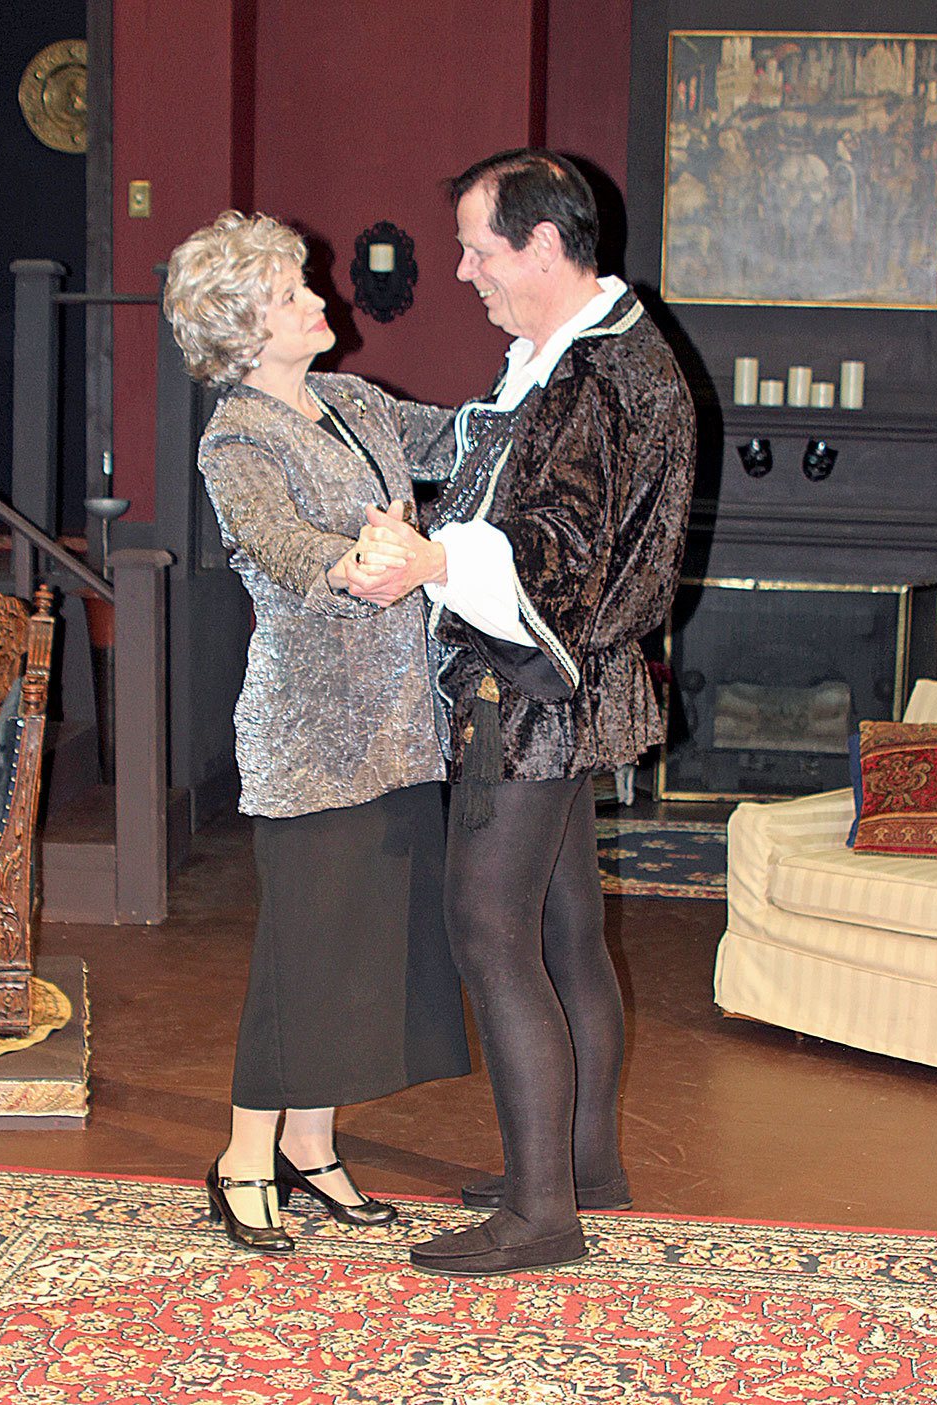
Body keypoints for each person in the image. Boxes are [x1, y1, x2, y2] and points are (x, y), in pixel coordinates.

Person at [352, 150, 696, 1275]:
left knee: (490, 932)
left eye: (478, 250)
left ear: (543, 246)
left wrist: (428, 560)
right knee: (561, 932)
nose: (463, 272)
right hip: (569, 681)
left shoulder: (592, 376)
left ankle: (541, 1213)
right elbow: (510, 486)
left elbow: (559, 555)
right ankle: (580, 1168)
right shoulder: (583, 352)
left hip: (533, 688)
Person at [162, 211, 469, 1256]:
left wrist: (543, 385)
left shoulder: (355, 400)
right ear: (244, 328)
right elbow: (279, 543)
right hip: (308, 732)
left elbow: (461, 439)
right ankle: (243, 1156)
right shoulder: (236, 438)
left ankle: (309, 1145)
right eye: (292, 294)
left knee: (357, 946)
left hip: (399, 725)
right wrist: (352, 561)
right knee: (302, 948)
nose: (317, 301)